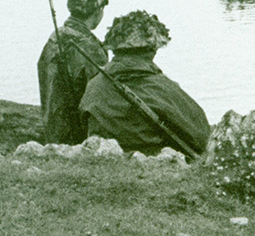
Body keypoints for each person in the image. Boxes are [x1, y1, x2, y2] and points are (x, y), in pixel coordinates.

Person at [78, 10, 211, 158]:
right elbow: (201, 136)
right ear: (151, 49)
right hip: (155, 165)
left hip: (105, 161)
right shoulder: (162, 88)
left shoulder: (93, 86)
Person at [38, 0, 110, 145]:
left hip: (53, 138)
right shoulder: (90, 48)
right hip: (81, 143)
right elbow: (100, 103)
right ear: (98, 8)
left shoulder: (54, 39)